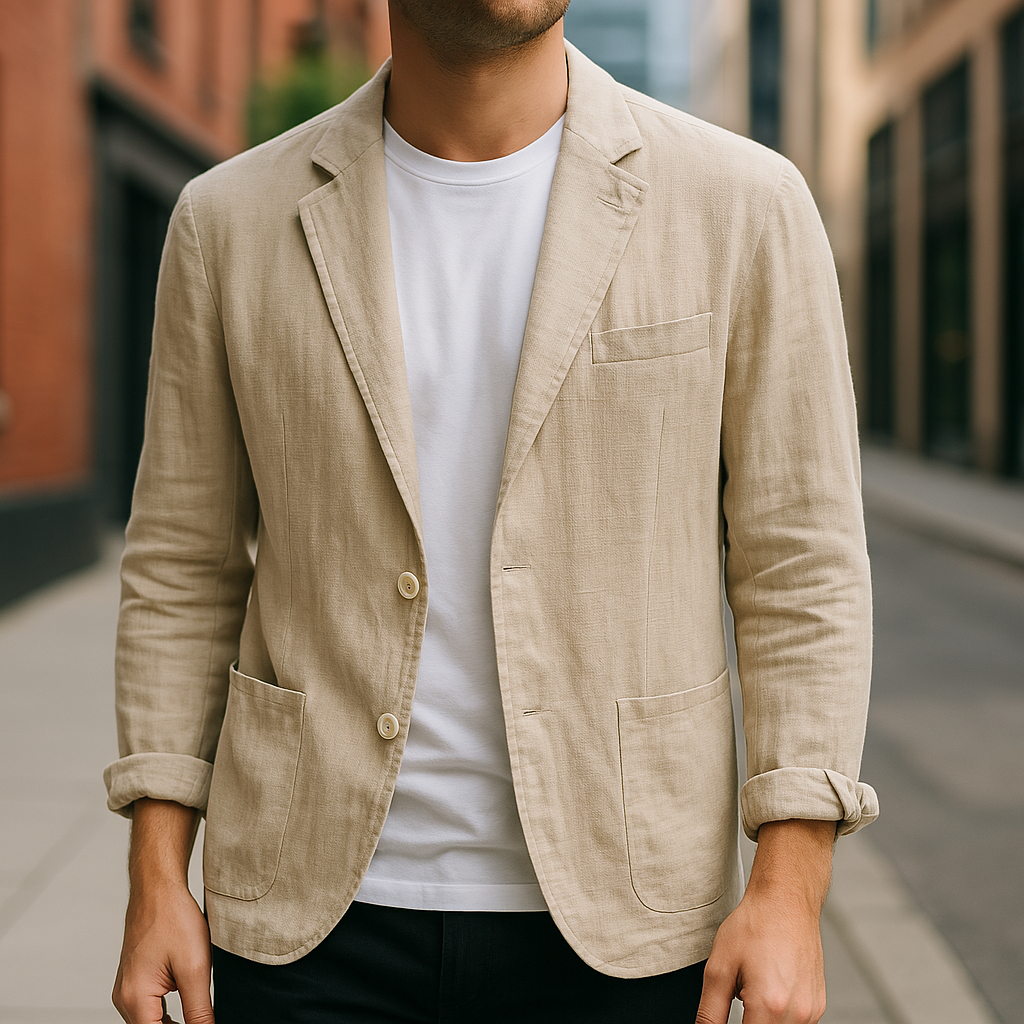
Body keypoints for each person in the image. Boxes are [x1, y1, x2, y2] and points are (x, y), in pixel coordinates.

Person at [105, 2, 878, 1022]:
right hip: (305, 929)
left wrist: (788, 887)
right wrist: (157, 876)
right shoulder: (227, 222)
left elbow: (800, 566)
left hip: (623, 927)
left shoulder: (743, 207)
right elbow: (182, 566)